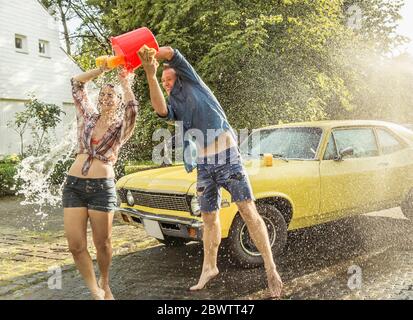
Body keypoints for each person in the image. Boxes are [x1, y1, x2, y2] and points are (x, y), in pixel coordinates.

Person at [138, 46, 283, 298]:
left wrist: (152, 53)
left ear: (181, 76)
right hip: (204, 167)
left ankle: (271, 267)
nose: (167, 84)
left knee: (247, 210)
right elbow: (161, 111)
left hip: (228, 159)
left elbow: (171, 52)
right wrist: (150, 75)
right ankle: (210, 267)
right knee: (208, 218)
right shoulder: (174, 101)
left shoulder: (194, 81)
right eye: (164, 82)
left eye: (169, 79)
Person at [62, 60, 138, 300]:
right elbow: (76, 84)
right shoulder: (87, 115)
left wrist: (125, 84)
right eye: (103, 94)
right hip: (74, 185)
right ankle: (94, 289)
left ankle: (105, 283)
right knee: (75, 245)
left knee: (102, 243)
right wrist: (102, 70)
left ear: (117, 102)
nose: (105, 97)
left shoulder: (120, 127)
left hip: (101, 189)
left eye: (111, 95)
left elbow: (133, 109)